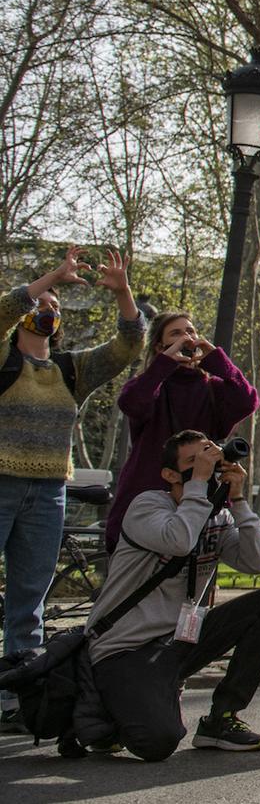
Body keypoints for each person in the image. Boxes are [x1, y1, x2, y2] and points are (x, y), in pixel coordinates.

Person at [0, 247, 144, 733]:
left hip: (47, 494)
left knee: (29, 601)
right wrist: (49, 279)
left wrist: (123, 292)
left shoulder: (69, 370)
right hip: (0, 484)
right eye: (43, 303)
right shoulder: (4, 357)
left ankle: (17, 703)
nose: (48, 309)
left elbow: (127, 347)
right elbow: (2, 308)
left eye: (55, 307)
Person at [74, 430, 260, 759]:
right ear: (170, 474)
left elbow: (256, 563)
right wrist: (199, 482)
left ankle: (221, 719)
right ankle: (107, 711)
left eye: (210, 458)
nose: (207, 467)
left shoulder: (217, 516)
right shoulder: (146, 507)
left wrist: (239, 501)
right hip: (125, 648)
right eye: (194, 461)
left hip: (179, 641)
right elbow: (180, 540)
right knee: (158, 742)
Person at [105, 310, 259, 550]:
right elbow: (131, 402)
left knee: (194, 576)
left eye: (190, 331)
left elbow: (247, 401)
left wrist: (218, 361)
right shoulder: (150, 384)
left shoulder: (212, 389)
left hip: (202, 499)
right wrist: (164, 364)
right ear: (160, 346)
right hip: (148, 497)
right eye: (176, 333)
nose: (186, 338)